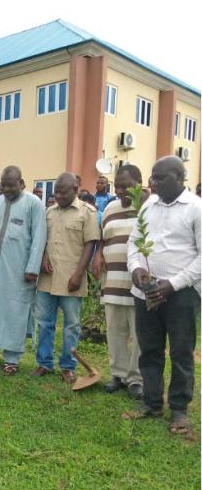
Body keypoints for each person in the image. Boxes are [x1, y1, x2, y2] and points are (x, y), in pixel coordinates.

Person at [124, 157, 200, 433]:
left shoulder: (196, 209)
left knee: (181, 351)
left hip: (182, 294)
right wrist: (136, 270)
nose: (153, 183)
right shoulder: (148, 206)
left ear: (181, 177)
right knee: (150, 349)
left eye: (161, 177)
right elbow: (135, 243)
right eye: (152, 177)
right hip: (146, 291)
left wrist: (173, 283)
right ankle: (152, 402)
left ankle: (179, 409)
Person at [0, 166, 47, 375]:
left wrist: (33, 267)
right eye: (3, 185)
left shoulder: (33, 204)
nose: (6, 189)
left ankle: (12, 357)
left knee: (17, 310)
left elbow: (39, 237)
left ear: (22, 184)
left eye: (11, 185)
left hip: (21, 268)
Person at [33, 173, 99, 384]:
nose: (58, 196)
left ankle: (68, 366)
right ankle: (44, 363)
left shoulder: (86, 212)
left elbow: (90, 244)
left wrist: (79, 273)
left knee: (71, 324)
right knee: (44, 322)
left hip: (72, 277)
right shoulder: (49, 212)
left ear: (75, 190)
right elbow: (43, 239)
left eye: (63, 192)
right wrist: (43, 257)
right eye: (56, 192)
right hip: (48, 278)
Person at [96, 164, 145, 399]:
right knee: (114, 330)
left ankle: (136, 379)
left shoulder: (147, 208)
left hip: (138, 284)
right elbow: (103, 240)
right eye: (118, 186)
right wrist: (97, 256)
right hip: (113, 280)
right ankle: (118, 374)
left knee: (139, 333)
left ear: (139, 184)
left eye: (127, 186)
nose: (121, 190)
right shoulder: (109, 208)